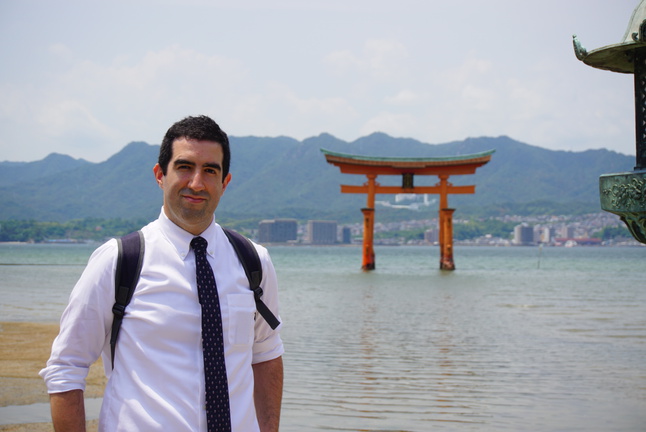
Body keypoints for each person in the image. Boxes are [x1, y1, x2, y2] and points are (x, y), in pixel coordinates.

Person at [40, 115, 284, 432]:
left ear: (225, 182)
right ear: (160, 175)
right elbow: (66, 367)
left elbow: (266, 355)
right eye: (184, 167)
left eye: (210, 170)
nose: (197, 182)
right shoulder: (119, 261)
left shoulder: (254, 261)